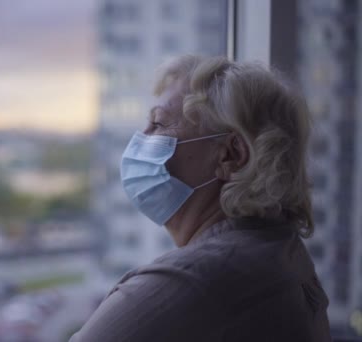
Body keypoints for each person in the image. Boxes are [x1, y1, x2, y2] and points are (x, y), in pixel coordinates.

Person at [69, 55, 332, 342]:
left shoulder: (193, 281)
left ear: (231, 155)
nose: (141, 139)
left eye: (158, 124)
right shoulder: (282, 250)